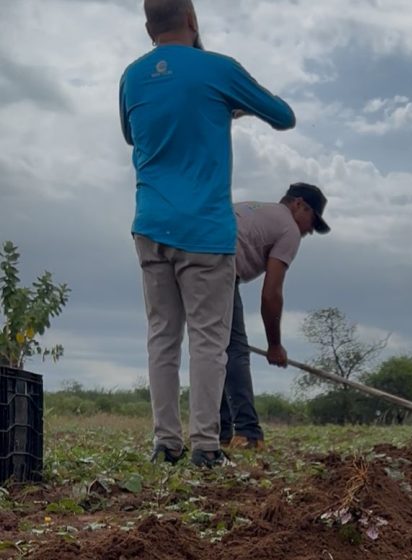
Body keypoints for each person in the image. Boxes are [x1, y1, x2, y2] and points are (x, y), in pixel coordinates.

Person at [119, 0, 297, 468]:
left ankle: (165, 443)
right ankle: (204, 446)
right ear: (194, 22)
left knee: (162, 336)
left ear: (147, 28)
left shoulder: (131, 77)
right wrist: (232, 107)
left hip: (151, 225)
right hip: (205, 229)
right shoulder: (219, 69)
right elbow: (283, 115)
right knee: (208, 340)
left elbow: (133, 136)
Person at [220, 183, 330, 449]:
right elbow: (271, 294)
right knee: (234, 350)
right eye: (312, 222)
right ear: (299, 205)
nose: (309, 231)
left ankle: (219, 432)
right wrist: (274, 345)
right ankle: (248, 434)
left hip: (188, 256)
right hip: (218, 265)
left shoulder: (255, 209)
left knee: (215, 349)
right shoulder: (289, 229)